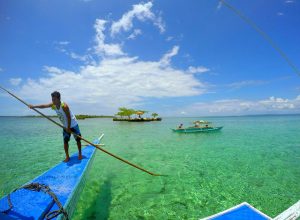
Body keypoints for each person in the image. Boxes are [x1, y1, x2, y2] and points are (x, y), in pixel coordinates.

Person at [29, 91, 82, 162]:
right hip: (65, 126)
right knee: (65, 141)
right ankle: (67, 157)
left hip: (73, 124)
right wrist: (34, 106)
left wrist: (69, 128)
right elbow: (44, 106)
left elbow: (69, 117)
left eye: (54, 99)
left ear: (58, 98)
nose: (52, 101)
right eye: (52, 99)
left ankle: (80, 154)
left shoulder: (64, 106)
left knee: (78, 139)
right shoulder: (53, 105)